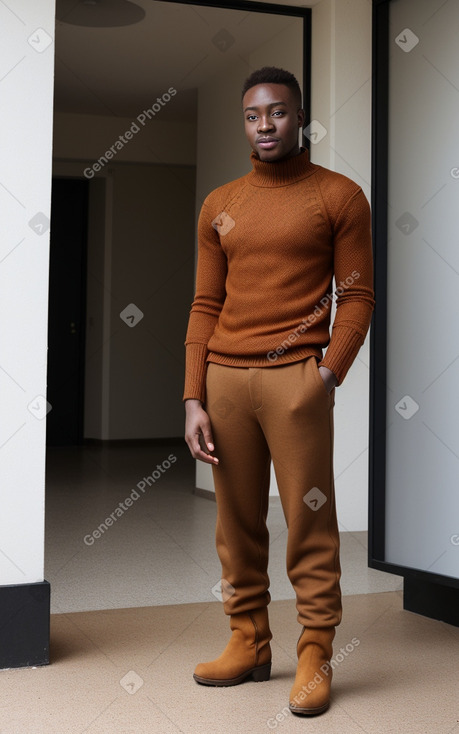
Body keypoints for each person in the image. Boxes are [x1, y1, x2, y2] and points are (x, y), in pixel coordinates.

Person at [183, 66, 374, 716]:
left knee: (308, 520)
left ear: (300, 117)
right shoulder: (219, 204)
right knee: (234, 523)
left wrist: (325, 375)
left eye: (277, 113)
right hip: (224, 381)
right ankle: (249, 641)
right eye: (252, 115)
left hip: (297, 379)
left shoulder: (339, 197)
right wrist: (192, 397)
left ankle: (315, 653)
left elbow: (356, 295)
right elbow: (205, 302)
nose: (264, 125)